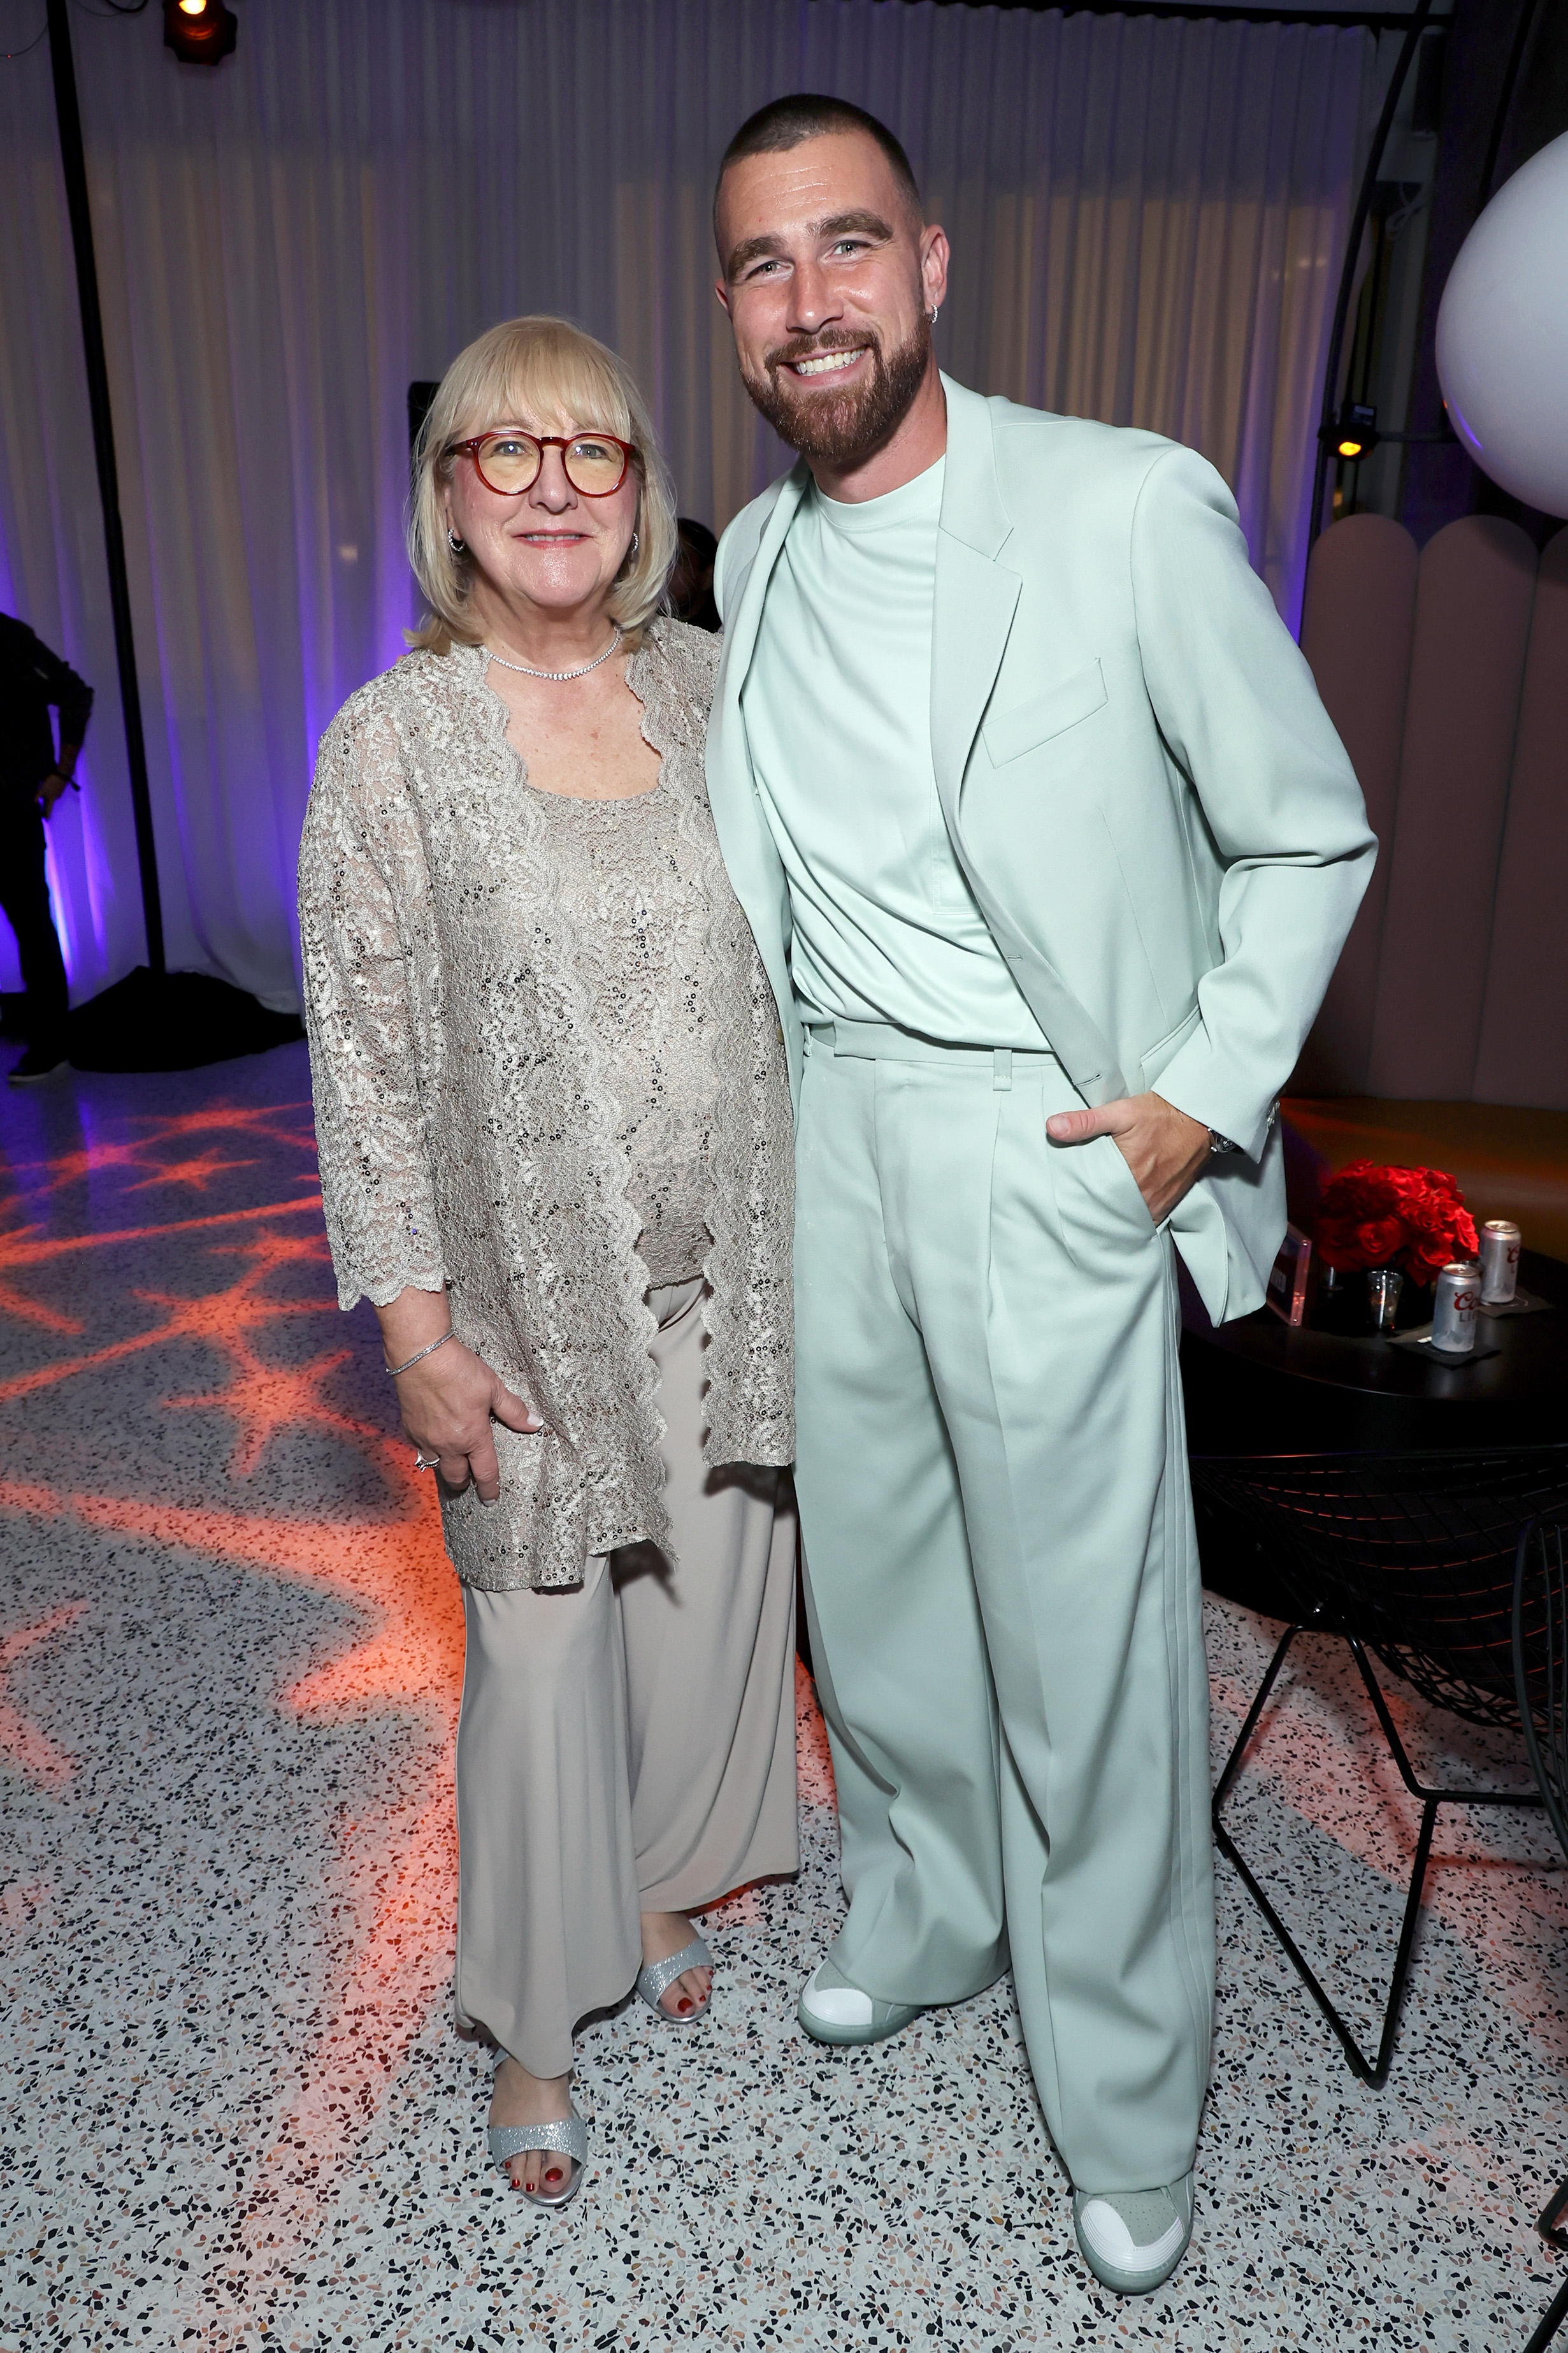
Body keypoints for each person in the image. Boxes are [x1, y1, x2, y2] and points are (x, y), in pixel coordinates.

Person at [705, 96, 1375, 2296]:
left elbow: (1307, 831)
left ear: (935, 266)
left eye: (846, 247)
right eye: (762, 265)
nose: (810, 301)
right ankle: (930, 1912)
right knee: (878, 1612)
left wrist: (1195, 1098)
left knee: (1082, 1658)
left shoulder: (1117, 507)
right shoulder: (761, 557)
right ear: (734, 307)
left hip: (1051, 1144)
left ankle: (1125, 2092)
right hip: (839, 1135)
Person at [297, 315, 798, 2211]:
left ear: (643, 490)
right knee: (534, 1650)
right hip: (519, 1304)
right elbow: (360, 1051)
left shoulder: (713, 690)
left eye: (592, 454)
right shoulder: (394, 744)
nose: (554, 490)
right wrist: (413, 1332)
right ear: (447, 496)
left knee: (708, 1617)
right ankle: (528, 2011)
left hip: (728, 1274)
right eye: (507, 454)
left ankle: (658, 1874)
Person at [0, 613, 90, 1082]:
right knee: (33, 925)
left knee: (33, 925)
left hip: (9, 809)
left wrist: (60, 772)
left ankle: (52, 1045)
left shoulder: (9, 639)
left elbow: (74, 692)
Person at [669, 518, 721, 631]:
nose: (664, 570)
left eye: (678, 560)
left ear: (708, 577)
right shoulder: (634, 628)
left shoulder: (722, 639)